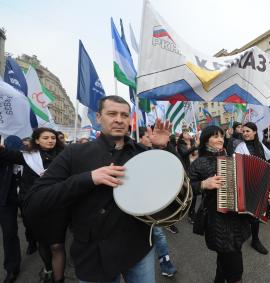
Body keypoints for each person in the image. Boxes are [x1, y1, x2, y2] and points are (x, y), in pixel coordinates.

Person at [23, 96, 173, 283]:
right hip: (93, 255)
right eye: (112, 113)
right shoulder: (74, 153)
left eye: (124, 115)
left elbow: (173, 184)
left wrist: (163, 149)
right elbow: (34, 201)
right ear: (98, 117)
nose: (119, 119)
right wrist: (88, 178)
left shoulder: (141, 152)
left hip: (138, 248)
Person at [189, 125, 270, 283]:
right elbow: (187, 191)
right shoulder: (199, 163)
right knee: (235, 272)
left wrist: (267, 198)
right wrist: (203, 184)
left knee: (225, 260)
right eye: (215, 136)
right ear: (205, 140)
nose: (220, 139)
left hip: (238, 220)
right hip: (218, 223)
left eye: (222, 136)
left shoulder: (233, 159)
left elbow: (249, 187)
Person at [0, 128, 68, 283]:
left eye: (52, 137)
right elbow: (3, 154)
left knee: (57, 245)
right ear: (37, 140)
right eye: (45, 138)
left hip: (57, 206)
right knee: (42, 242)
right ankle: (48, 269)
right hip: (34, 208)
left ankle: (59, 279)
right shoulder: (27, 156)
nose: (50, 140)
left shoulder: (65, 156)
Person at [138, 127, 177, 278]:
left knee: (158, 234)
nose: (151, 139)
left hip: (151, 205)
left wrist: (164, 147)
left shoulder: (155, 153)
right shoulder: (132, 154)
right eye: (148, 137)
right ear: (140, 137)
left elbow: (173, 167)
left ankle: (166, 264)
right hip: (135, 205)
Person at [234, 122, 270, 255]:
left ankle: (255, 239)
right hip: (245, 182)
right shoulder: (240, 147)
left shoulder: (261, 145)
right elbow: (235, 163)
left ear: (254, 132)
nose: (245, 133)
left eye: (248, 131)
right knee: (243, 211)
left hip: (260, 182)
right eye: (244, 131)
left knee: (256, 212)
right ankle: (240, 236)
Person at [0, 136, 23, 283]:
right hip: (5, 200)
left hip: (18, 200)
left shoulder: (27, 157)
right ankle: (12, 267)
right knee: (9, 234)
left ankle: (12, 268)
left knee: (11, 234)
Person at [177, 129, 199, 223]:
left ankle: (192, 211)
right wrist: (195, 146)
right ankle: (190, 213)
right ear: (182, 136)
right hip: (187, 171)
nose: (188, 133)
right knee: (190, 193)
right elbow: (185, 153)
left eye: (188, 132)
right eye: (185, 133)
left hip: (195, 169)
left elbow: (197, 154)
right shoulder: (181, 145)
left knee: (195, 193)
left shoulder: (193, 142)